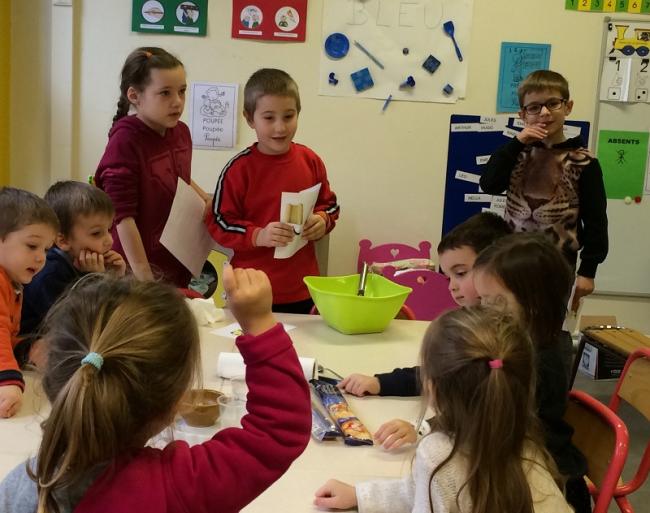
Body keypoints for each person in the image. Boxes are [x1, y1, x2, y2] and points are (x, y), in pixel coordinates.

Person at [0, 265, 311, 512]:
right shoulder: (175, 487)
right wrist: (260, 324)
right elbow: (277, 433)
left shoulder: (18, 489)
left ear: (53, 375)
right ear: (176, 403)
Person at [314, 307, 573, 513]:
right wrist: (361, 495)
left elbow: (437, 488)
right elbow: (429, 490)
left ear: (432, 387)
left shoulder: (438, 454)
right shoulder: (518, 436)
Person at [338, 212, 511, 449]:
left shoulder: (511, 340)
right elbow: (441, 372)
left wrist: (424, 428)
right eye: (448, 276)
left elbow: (483, 409)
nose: (451, 286)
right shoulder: (476, 322)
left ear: (496, 268)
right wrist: (380, 383)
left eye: (460, 274)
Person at [472, 233, 590, 513]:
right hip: (523, 472)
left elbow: (495, 427)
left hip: (551, 488)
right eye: (483, 300)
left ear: (533, 303)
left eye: (495, 301)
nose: (485, 311)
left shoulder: (539, 362)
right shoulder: (514, 343)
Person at [206, 68, 340, 314]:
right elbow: (218, 222)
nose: (280, 127)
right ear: (249, 119)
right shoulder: (239, 169)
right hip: (249, 288)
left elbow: (329, 205)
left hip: (303, 288)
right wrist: (259, 235)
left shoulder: (310, 160)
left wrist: (322, 220)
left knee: (300, 351)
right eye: (269, 118)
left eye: (288, 116)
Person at [480, 69, 608, 312]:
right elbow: (489, 184)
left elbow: (596, 221)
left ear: (568, 107)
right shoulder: (516, 153)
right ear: (522, 114)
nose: (545, 113)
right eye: (534, 107)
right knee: (507, 325)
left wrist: (588, 271)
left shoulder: (584, 161)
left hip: (558, 263)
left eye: (553, 104)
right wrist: (517, 143)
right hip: (511, 259)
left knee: (548, 330)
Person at [95, 46, 210, 288]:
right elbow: (123, 219)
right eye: (165, 93)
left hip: (175, 257)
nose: (177, 102)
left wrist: (208, 202)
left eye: (182, 91)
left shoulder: (181, 132)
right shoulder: (125, 142)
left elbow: (181, 178)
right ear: (135, 96)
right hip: (136, 269)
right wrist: (145, 280)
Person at [21, 181, 126, 337]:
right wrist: (96, 280)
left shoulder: (79, 260)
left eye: (109, 229)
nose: (109, 240)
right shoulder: (48, 274)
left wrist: (114, 278)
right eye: (96, 233)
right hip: (32, 347)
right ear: (63, 241)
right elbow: (78, 325)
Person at [0, 187, 58, 418]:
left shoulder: (12, 281)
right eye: (32, 246)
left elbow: (7, 334)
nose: (41, 257)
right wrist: (7, 379)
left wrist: (26, 349)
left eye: (45, 249)